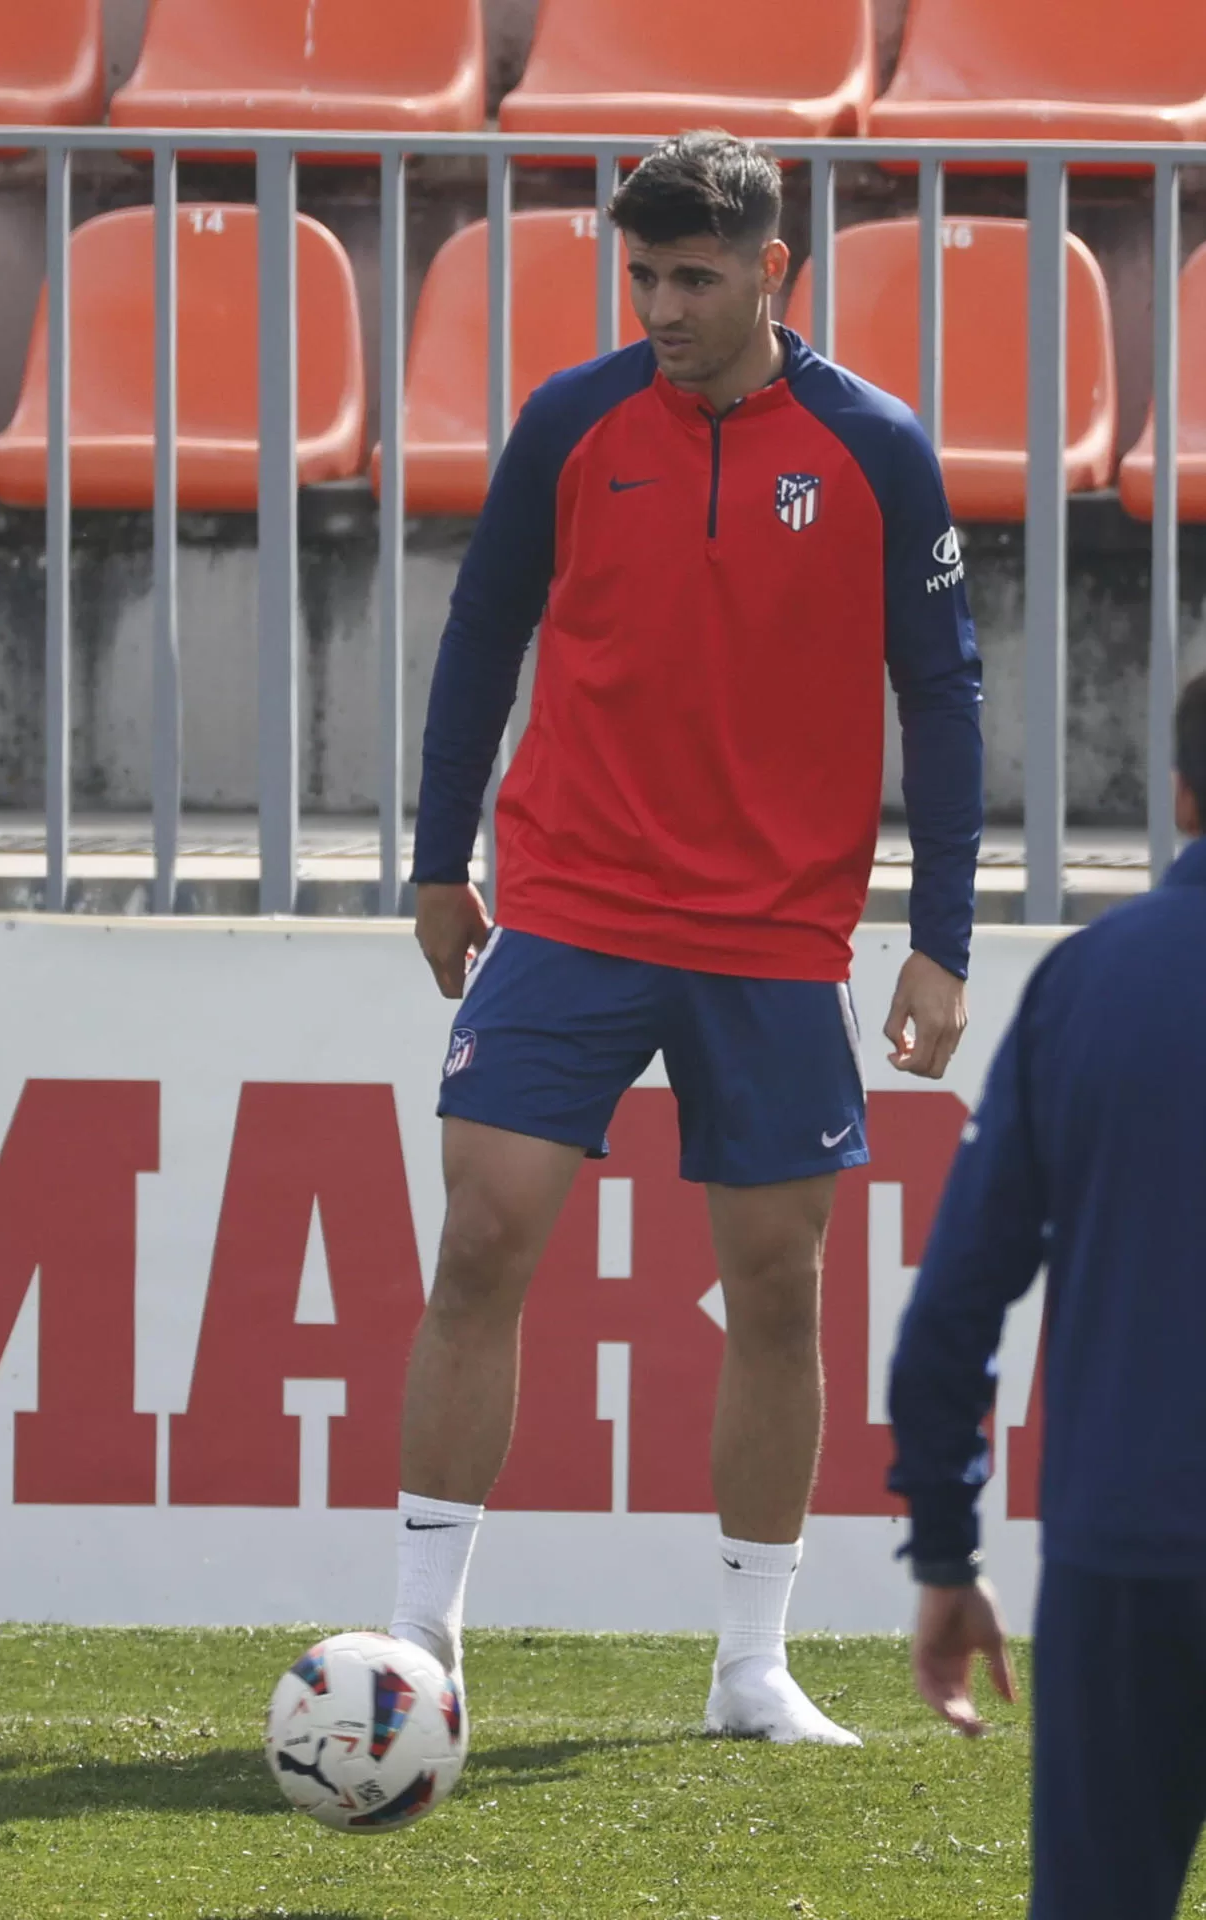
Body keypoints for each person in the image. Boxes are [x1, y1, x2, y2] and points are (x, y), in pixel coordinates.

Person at [393, 130, 983, 1746]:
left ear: (772, 274)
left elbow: (942, 693)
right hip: (572, 902)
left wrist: (944, 937)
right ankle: (420, 1649)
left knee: (777, 1292)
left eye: (695, 277)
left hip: (778, 930)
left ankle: (749, 1667)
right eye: (642, 274)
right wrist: (440, 856)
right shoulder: (571, 422)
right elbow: (482, 633)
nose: (661, 304)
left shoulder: (876, 449)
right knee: (478, 1244)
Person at [888, 672, 1206, 1913]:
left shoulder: (1086, 986)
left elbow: (952, 1312)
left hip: (1121, 1562)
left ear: (1180, 797)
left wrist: (948, 1551)